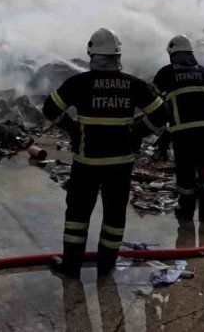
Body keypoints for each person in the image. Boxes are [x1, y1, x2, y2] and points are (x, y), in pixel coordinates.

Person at [42, 28, 168, 278]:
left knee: (77, 215)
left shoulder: (79, 83)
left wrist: (73, 128)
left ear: (91, 53)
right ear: (118, 55)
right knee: (114, 215)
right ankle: (106, 266)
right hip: (121, 164)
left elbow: (50, 109)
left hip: (87, 162)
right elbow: (161, 114)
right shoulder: (134, 84)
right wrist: (138, 132)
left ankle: (71, 267)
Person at [151, 34, 204, 224]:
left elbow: (155, 103)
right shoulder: (203, 72)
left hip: (183, 130)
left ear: (172, 54)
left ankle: (186, 215)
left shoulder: (166, 73)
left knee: (186, 173)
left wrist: (163, 132)